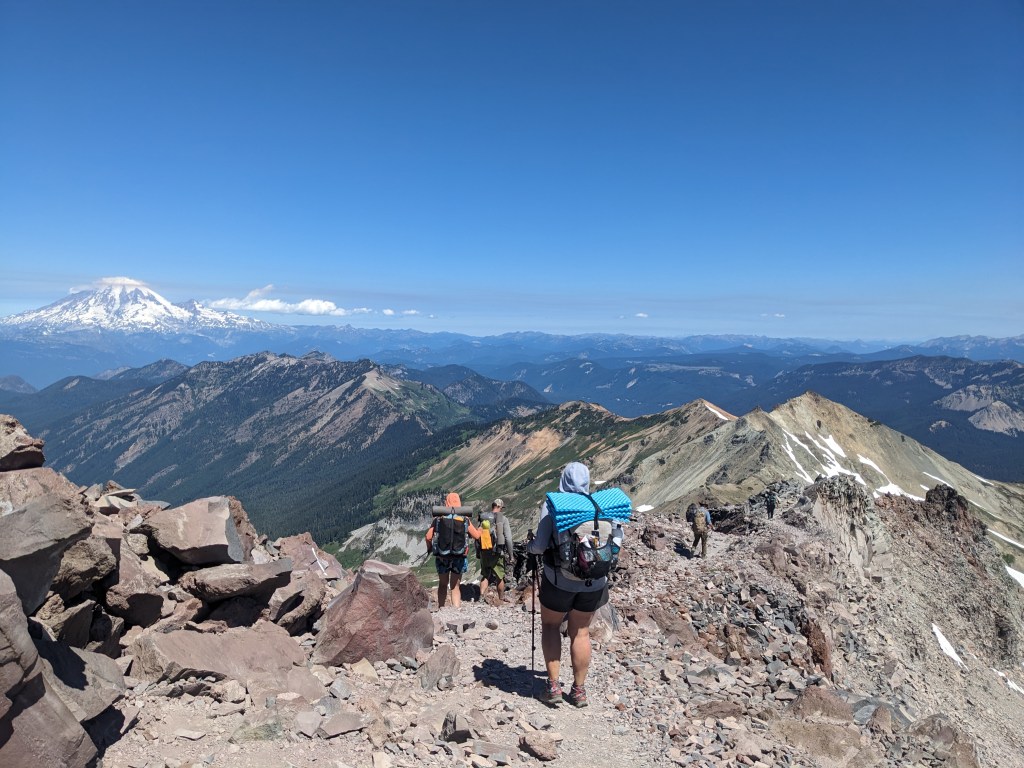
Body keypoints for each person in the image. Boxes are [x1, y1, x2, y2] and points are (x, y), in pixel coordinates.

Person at [527, 462, 614, 708]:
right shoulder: (600, 506)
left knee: (551, 625)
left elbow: (539, 546)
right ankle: (579, 691)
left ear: (563, 480)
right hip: (594, 582)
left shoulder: (554, 504)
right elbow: (615, 541)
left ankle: (553, 686)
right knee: (581, 631)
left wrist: (531, 545)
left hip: (560, 581)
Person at [425, 492, 480, 608]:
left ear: (446, 502)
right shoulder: (464, 518)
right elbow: (476, 536)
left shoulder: (439, 518)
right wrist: (481, 530)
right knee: (455, 586)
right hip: (459, 557)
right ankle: (456, 610)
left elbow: (428, 537)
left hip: (442, 556)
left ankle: (441, 608)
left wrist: (429, 548)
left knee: (443, 584)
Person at [478, 498, 514, 603]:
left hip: (484, 551)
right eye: (501, 507)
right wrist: (511, 555)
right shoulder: (503, 519)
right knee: (500, 576)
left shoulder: (484, 518)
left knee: (485, 575)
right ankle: (501, 598)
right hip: (497, 552)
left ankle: (481, 597)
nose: (501, 509)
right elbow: (508, 538)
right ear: (498, 507)